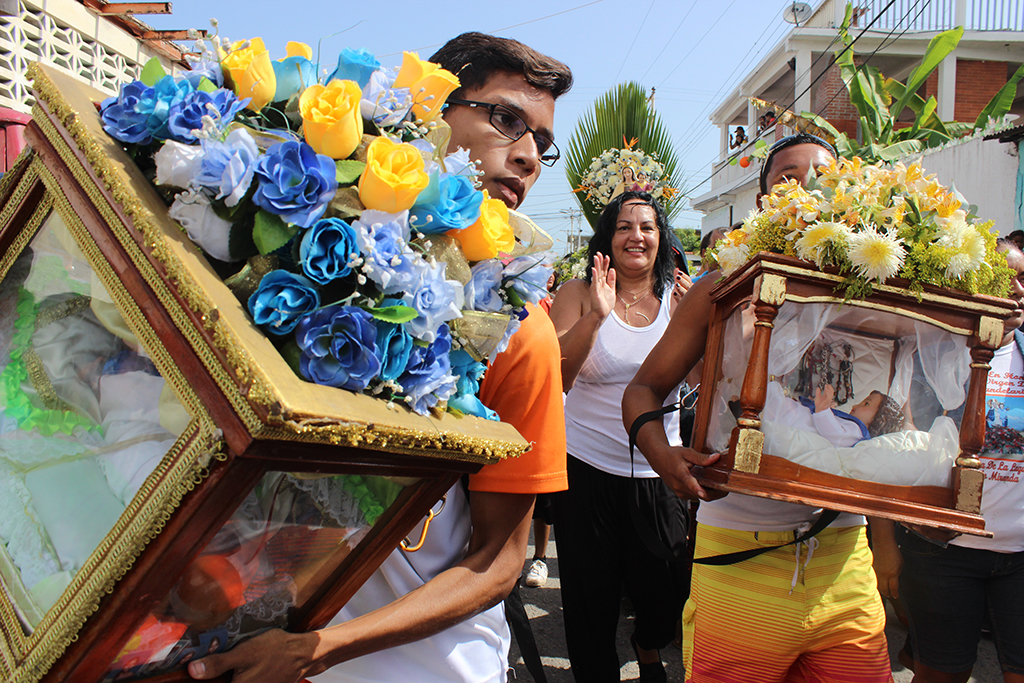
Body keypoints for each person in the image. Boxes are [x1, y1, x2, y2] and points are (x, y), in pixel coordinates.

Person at [187, 32, 572, 683]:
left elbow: (500, 559)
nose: (530, 156)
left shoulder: (518, 331)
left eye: (543, 141)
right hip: (252, 648)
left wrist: (320, 648)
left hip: (427, 668)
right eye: (508, 119)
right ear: (435, 115)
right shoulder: (294, 251)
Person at [623, 133, 896, 682]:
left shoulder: (880, 289)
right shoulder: (722, 290)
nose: (808, 189)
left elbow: (898, 423)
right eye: (788, 179)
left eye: (823, 176)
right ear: (765, 201)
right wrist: (666, 459)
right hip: (738, 554)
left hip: (842, 559)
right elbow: (642, 391)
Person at [549, 191, 689, 683]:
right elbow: (557, 376)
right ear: (607, 238)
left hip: (658, 469)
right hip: (585, 470)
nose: (636, 236)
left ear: (661, 238)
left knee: (664, 593)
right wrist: (596, 316)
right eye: (624, 226)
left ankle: (648, 646)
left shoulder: (681, 300)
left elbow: (713, 378)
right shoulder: (579, 292)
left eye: (647, 227)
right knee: (590, 601)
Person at [894, 238, 1024, 683]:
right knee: (940, 673)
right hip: (942, 553)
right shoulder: (929, 353)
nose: (1019, 290)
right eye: (1006, 278)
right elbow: (889, 447)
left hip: (1021, 555)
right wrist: (885, 547)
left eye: (1023, 278)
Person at [765, 381, 904, 446]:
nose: (856, 405)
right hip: (794, 417)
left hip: (793, 421)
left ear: (880, 420)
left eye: (866, 403)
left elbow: (834, 434)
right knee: (773, 395)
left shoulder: (858, 433)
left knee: (772, 396)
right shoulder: (853, 427)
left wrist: (823, 411)